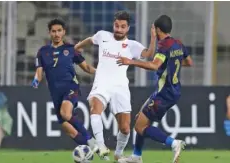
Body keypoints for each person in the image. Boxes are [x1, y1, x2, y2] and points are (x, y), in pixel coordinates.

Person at [74, 11, 156, 161]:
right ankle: (101, 145)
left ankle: (118, 154)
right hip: (102, 82)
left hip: (120, 86)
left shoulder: (132, 46)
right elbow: (91, 40)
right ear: (113, 24)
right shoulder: (103, 35)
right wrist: (78, 46)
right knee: (95, 109)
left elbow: (149, 54)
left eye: (122, 27)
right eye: (116, 25)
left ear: (128, 28)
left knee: (125, 128)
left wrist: (153, 37)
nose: (118, 29)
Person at [117, 15, 193, 163]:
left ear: (158, 29)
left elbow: (154, 65)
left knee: (139, 127)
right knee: (140, 118)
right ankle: (136, 156)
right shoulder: (178, 43)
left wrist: (131, 61)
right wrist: (171, 64)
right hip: (173, 91)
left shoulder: (164, 46)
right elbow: (189, 62)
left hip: (164, 93)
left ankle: (173, 143)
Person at [31, 18, 98, 152]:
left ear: (64, 32)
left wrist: (101, 72)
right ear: (49, 33)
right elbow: (39, 72)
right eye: (54, 31)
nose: (56, 34)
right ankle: (94, 151)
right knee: (69, 130)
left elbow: (86, 68)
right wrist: (36, 80)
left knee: (65, 113)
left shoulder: (71, 49)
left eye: (59, 31)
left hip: (71, 87)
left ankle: (90, 139)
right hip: (56, 93)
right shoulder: (42, 52)